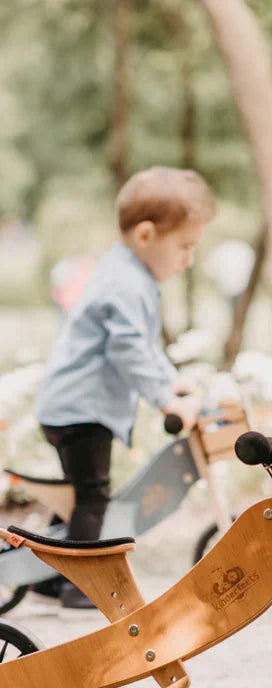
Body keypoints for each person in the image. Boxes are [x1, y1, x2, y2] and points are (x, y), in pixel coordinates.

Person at [34, 167, 214, 608]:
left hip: (74, 406)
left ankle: (45, 572)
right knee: (92, 496)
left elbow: (143, 346)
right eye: (185, 247)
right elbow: (128, 349)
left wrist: (172, 380)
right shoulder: (125, 283)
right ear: (147, 235)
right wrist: (164, 399)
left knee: (76, 496)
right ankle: (79, 586)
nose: (188, 259)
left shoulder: (127, 274)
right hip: (81, 411)